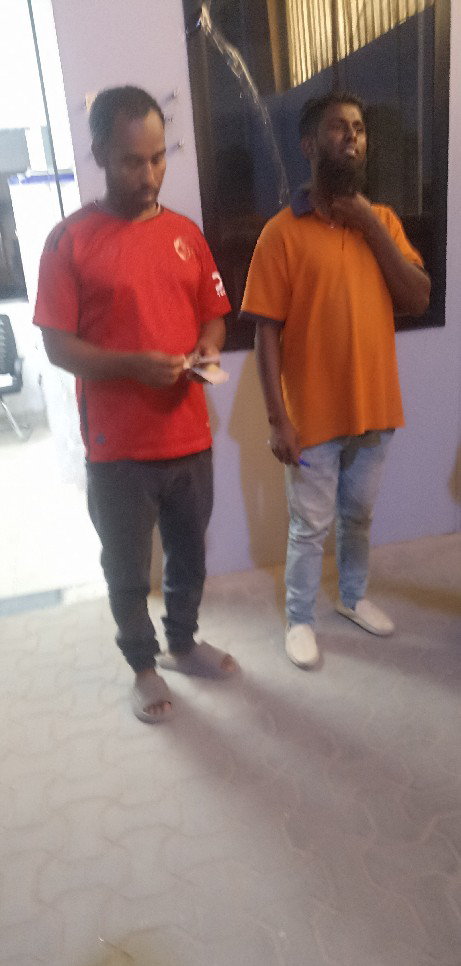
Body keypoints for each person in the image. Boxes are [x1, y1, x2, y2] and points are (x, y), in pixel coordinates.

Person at [34, 85, 237, 722]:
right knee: (126, 570)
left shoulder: (185, 235)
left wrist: (207, 346)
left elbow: (213, 313)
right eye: (131, 161)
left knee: (190, 556)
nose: (148, 176)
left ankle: (183, 643)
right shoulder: (68, 241)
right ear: (99, 154)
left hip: (190, 436)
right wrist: (133, 367)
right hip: (117, 449)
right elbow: (58, 347)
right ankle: (143, 667)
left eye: (157, 157)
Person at [241, 91, 430, 669]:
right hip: (312, 419)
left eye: (359, 127)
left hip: (375, 409)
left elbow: (418, 297)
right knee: (309, 527)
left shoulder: (385, 223)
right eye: (337, 127)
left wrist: (369, 223)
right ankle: (299, 619)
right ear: (309, 145)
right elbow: (265, 333)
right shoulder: (281, 233)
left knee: (358, 517)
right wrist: (277, 419)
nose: (352, 136)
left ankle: (352, 597)